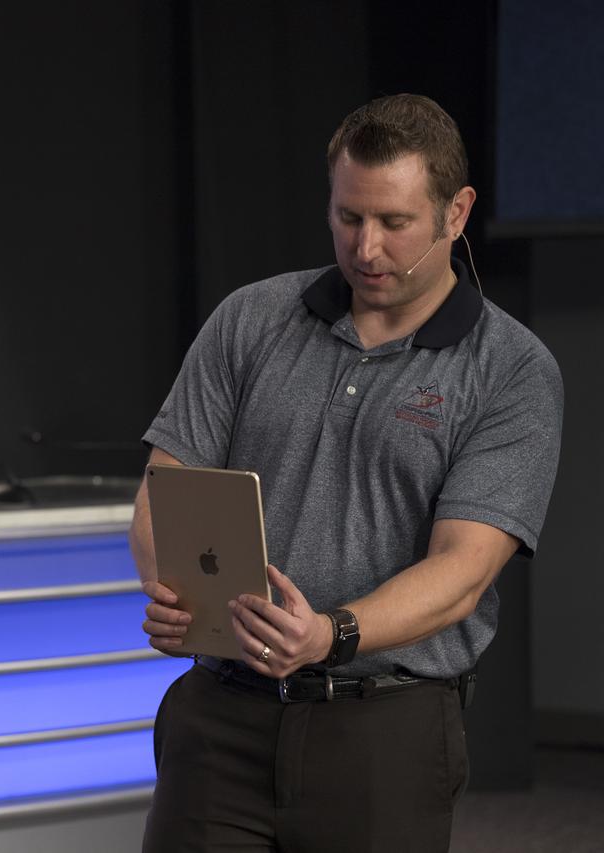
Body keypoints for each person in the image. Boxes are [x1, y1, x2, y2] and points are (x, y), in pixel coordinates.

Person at [130, 94, 562, 852]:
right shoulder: (249, 319)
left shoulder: (511, 369)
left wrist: (330, 633)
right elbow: (164, 491)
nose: (366, 248)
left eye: (395, 224)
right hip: (222, 717)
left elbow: (463, 571)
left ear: (455, 214)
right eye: (348, 217)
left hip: (382, 728)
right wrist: (173, 595)